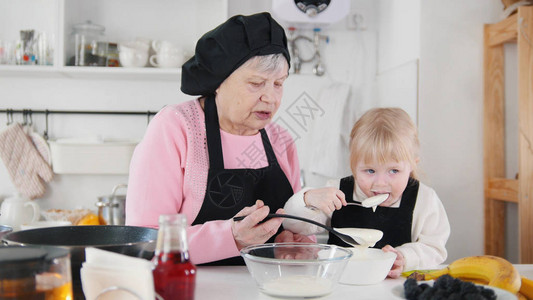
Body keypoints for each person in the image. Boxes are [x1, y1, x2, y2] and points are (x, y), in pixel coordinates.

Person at [126, 12, 312, 265]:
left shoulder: (281, 139)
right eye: (256, 83)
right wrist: (232, 237)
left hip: (268, 286)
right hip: (190, 286)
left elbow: (293, 221)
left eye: (279, 83)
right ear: (218, 82)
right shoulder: (175, 128)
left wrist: (293, 240)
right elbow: (144, 241)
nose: (271, 98)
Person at [282, 107, 450, 278]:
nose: (380, 183)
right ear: (354, 167)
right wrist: (308, 198)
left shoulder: (424, 200)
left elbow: (435, 248)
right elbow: (292, 224)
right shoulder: (337, 192)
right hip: (342, 285)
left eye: (394, 171)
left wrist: (406, 257)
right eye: (370, 171)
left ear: (412, 166)